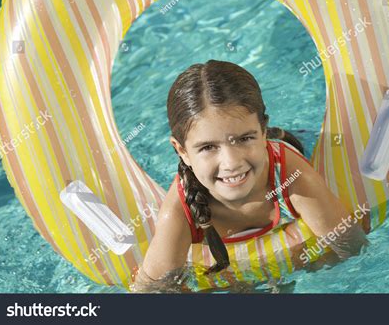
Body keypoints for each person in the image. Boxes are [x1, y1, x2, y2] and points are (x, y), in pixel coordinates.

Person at [132, 60, 367, 292]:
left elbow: (352, 249)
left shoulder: (291, 177)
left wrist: (304, 272)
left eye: (245, 138)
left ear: (263, 132)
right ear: (181, 150)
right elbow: (150, 292)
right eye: (208, 147)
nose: (232, 163)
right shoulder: (178, 212)